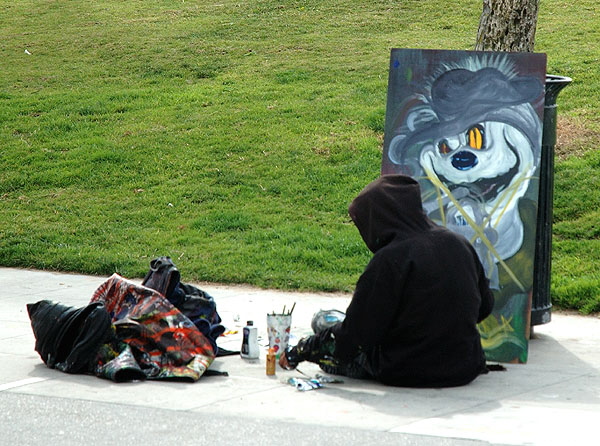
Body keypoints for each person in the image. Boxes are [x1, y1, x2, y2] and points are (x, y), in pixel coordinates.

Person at [280, 174, 495, 387]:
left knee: (322, 322)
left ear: (379, 219)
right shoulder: (458, 243)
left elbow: (354, 336)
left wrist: (300, 351)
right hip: (465, 365)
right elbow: (485, 306)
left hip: (407, 369)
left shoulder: (390, 260)